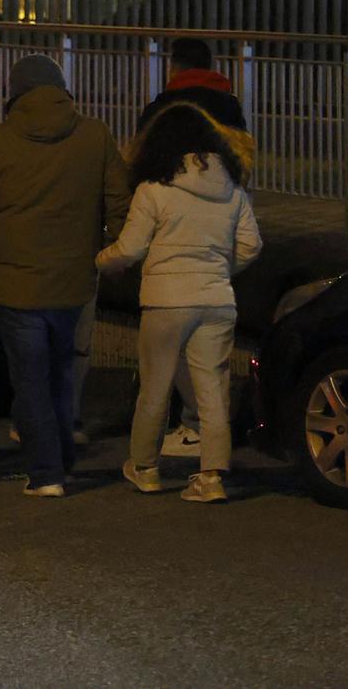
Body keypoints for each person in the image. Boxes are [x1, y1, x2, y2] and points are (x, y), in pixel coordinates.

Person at [0, 55, 129, 498]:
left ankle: (46, 474)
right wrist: (113, 250)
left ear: (15, 94)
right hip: (75, 281)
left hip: (15, 284)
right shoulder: (96, 136)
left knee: (30, 379)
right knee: (62, 373)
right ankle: (61, 458)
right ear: (61, 89)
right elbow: (120, 204)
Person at [97, 104, 263, 503]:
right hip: (217, 299)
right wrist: (219, 270)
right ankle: (211, 477)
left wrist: (100, 261)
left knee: (155, 386)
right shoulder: (232, 192)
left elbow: (131, 248)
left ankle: (145, 467)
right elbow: (251, 246)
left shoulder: (152, 191)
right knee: (211, 388)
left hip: (166, 302)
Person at [132, 37, 253, 458]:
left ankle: (176, 438)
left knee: (169, 351)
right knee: (211, 357)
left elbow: (141, 163)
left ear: (174, 66)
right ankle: (211, 450)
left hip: (170, 227)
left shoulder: (162, 108)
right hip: (220, 227)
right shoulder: (230, 107)